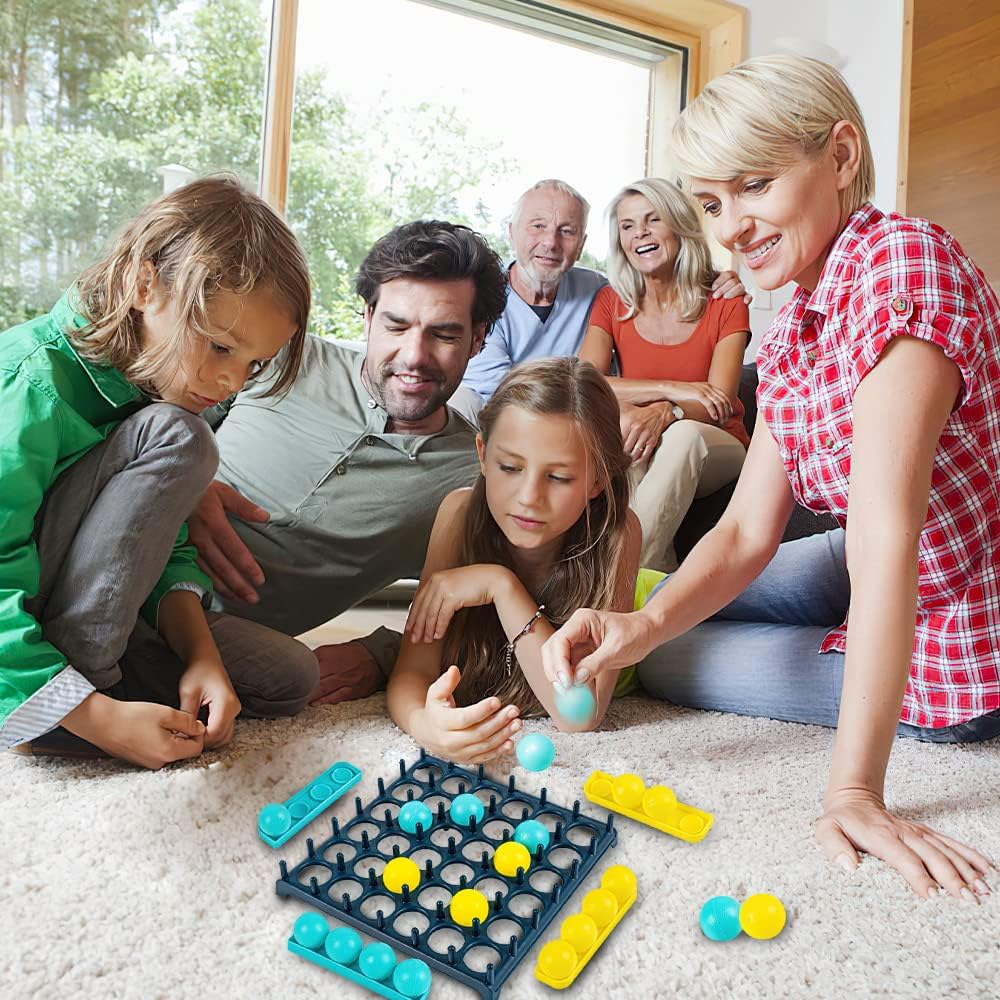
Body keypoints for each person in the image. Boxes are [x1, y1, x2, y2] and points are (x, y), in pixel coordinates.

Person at [542, 54, 999, 901]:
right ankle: (615, 614)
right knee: (659, 622)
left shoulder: (905, 269)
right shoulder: (793, 324)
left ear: (841, 155)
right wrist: (636, 626)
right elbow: (749, 532)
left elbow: (886, 538)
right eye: (712, 203)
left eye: (756, 185)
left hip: (956, 614)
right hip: (866, 563)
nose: (731, 229)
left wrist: (854, 792)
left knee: (677, 668)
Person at [1, 176, 319, 767]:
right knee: (181, 435)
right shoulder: (31, 380)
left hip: (102, 609)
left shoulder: (153, 385)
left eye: (252, 364)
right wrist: (98, 718)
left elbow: (158, 547)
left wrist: (201, 656)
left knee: (290, 676)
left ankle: (97, 688)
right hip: (25, 615)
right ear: (144, 283)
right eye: (221, 347)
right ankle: (72, 699)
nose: (230, 383)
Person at [187, 221, 508, 704]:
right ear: (368, 316)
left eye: (443, 334)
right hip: (144, 544)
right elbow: (159, 415)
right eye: (396, 326)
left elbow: (507, 614)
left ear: (478, 339)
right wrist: (182, 486)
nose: (414, 356)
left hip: (217, 633)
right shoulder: (283, 354)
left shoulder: (471, 475)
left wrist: (383, 655)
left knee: (293, 676)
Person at [387, 357, 647, 764]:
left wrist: (501, 586)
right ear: (483, 455)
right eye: (510, 467)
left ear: (597, 480)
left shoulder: (618, 531)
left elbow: (578, 714)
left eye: (558, 477)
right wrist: (424, 724)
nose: (529, 496)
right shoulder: (458, 516)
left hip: (651, 603)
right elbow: (412, 669)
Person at [450, 178, 748, 421]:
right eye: (537, 226)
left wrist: (716, 278)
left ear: (580, 245)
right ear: (511, 232)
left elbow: (660, 276)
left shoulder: (598, 290)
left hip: (580, 420)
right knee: (462, 402)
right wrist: (673, 391)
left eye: (567, 231)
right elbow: (504, 392)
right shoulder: (482, 296)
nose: (550, 242)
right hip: (507, 414)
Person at [579, 177, 751, 570]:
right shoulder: (612, 301)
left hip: (717, 444)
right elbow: (585, 384)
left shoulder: (725, 301)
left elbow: (718, 404)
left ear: (677, 225)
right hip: (646, 436)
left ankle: (615, 581)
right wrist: (668, 391)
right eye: (627, 226)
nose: (639, 233)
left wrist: (667, 412)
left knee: (682, 437)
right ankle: (655, 581)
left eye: (652, 219)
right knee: (627, 432)